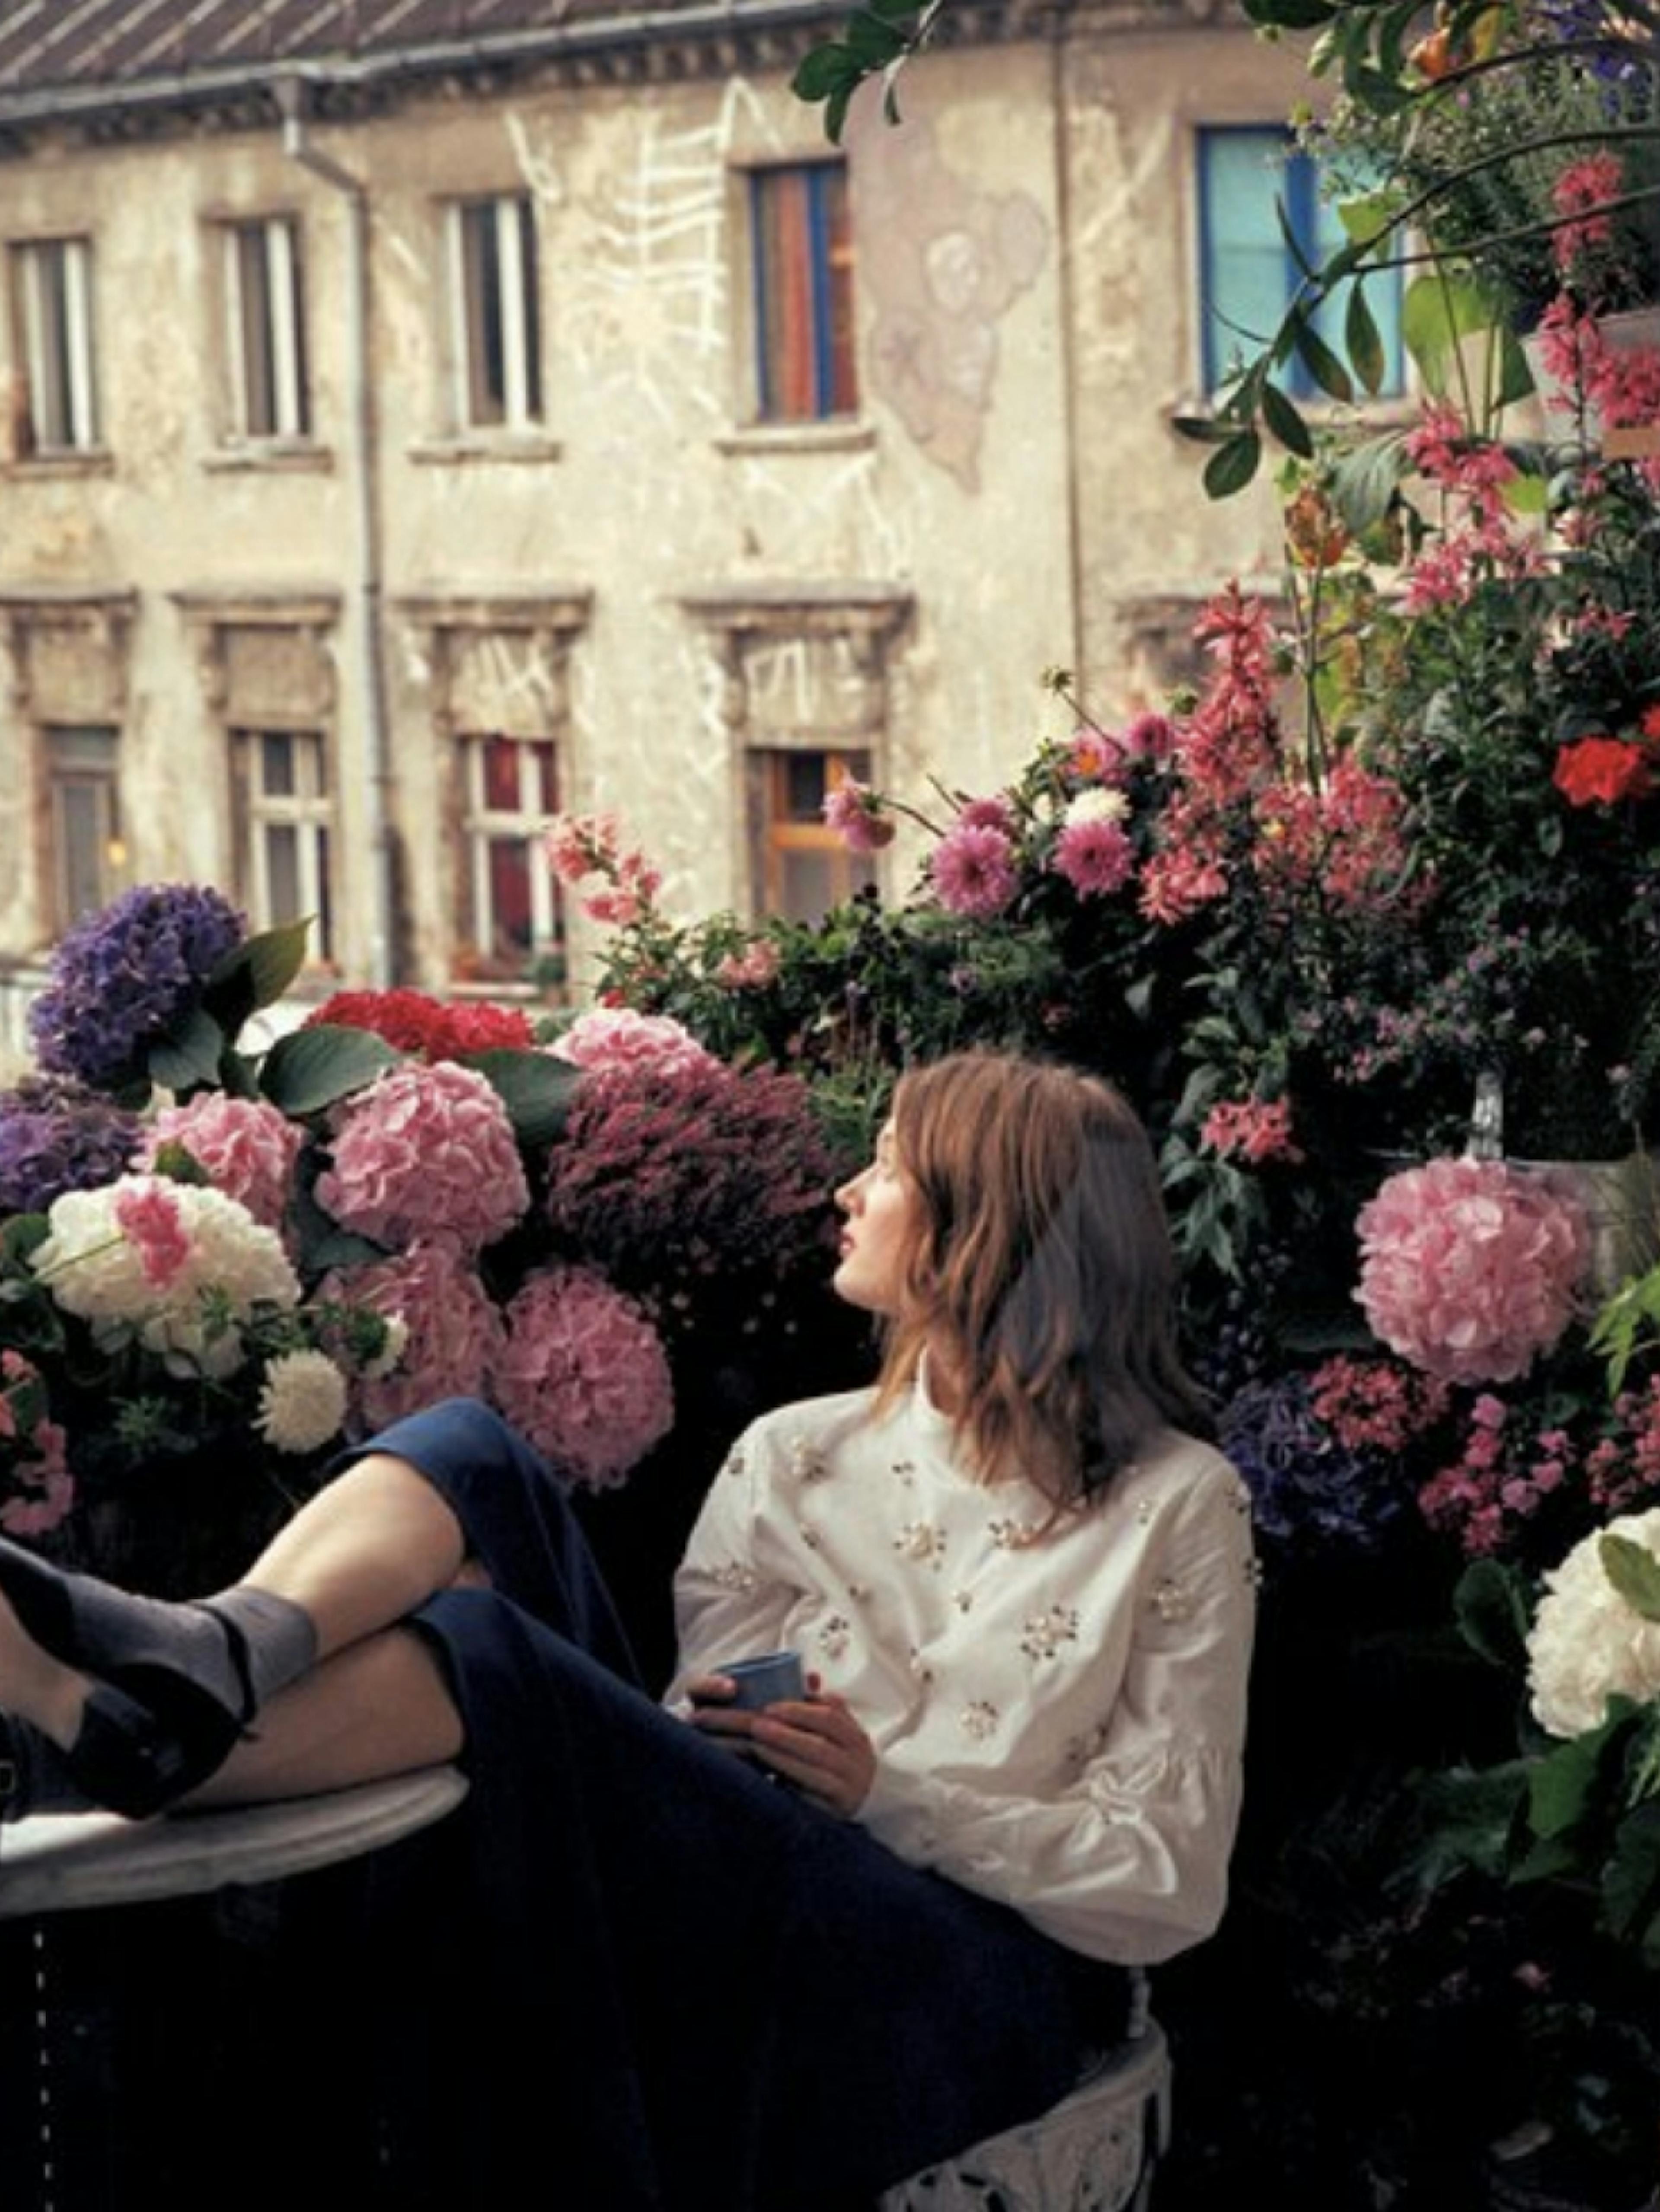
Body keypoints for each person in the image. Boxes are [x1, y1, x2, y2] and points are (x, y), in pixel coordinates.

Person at [0, 1049, 1257, 2209]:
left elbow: (1170, 1881)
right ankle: (215, 1657)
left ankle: (156, 1721)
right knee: (465, 1449)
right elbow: (682, 1756)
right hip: (748, 1902)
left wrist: (888, 1794)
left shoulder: (1176, 1504)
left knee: (487, 1648)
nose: (849, 1191)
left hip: (962, 1983)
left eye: (887, 1167)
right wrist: (730, 1746)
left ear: (981, 1230)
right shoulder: (794, 1453)